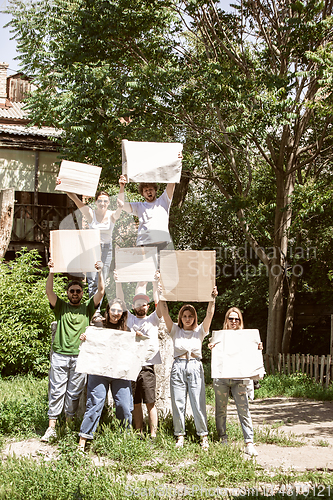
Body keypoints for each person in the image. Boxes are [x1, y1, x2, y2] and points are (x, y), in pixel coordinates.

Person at [41, 259, 104, 442]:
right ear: (67, 293)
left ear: (82, 293)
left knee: (74, 394)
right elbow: (49, 291)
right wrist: (51, 271)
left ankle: (68, 426)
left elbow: (101, 291)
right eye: (72, 291)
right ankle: (51, 427)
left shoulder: (87, 308)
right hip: (60, 356)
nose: (75, 293)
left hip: (79, 357)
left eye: (78, 291)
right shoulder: (60, 307)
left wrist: (100, 271)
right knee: (56, 391)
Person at [160, 286, 218, 450]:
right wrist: (162, 294)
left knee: (198, 402)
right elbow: (164, 312)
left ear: (194, 317)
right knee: (178, 403)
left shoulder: (200, 331)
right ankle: (180, 435)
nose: (187, 318)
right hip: (178, 367)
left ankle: (203, 435)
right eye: (184, 316)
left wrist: (212, 298)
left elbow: (209, 314)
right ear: (180, 317)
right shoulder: (175, 330)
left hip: (195, 367)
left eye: (190, 316)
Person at [57, 180, 122, 321]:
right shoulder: (90, 214)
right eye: (100, 201)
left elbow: (120, 206)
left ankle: (96, 309)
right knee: (92, 280)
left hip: (107, 250)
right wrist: (63, 184)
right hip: (93, 249)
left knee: (102, 280)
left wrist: (122, 187)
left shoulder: (112, 215)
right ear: (96, 202)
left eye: (105, 201)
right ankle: (95, 312)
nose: (103, 204)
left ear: (108, 203)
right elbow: (75, 199)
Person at [78, 298, 133, 450]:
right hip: (99, 371)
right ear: (108, 310)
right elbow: (89, 341)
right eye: (113, 310)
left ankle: (125, 439)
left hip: (120, 373)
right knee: (95, 403)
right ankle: (83, 440)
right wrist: (85, 338)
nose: (116, 313)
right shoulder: (97, 326)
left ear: (123, 313)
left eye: (119, 311)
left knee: (123, 404)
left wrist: (138, 339)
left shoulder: (127, 331)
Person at [208, 307, 263, 457]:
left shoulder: (247, 337)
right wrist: (211, 345)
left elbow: (252, 355)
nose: (233, 321)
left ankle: (249, 442)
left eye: (236, 319)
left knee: (243, 409)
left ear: (240, 321)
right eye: (230, 318)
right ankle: (222, 437)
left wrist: (257, 348)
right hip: (222, 379)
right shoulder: (219, 337)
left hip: (240, 379)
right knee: (221, 409)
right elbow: (213, 349)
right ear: (226, 320)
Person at [116, 278, 162, 439]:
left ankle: (153, 435)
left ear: (148, 306)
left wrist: (156, 283)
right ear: (133, 306)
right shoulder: (129, 318)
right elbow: (120, 301)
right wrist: (118, 282)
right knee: (135, 402)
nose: (141, 306)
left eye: (144, 304)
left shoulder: (153, 319)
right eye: (137, 304)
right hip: (133, 365)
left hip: (148, 366)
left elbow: (159, 302)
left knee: (150, 402)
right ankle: (139, 432)